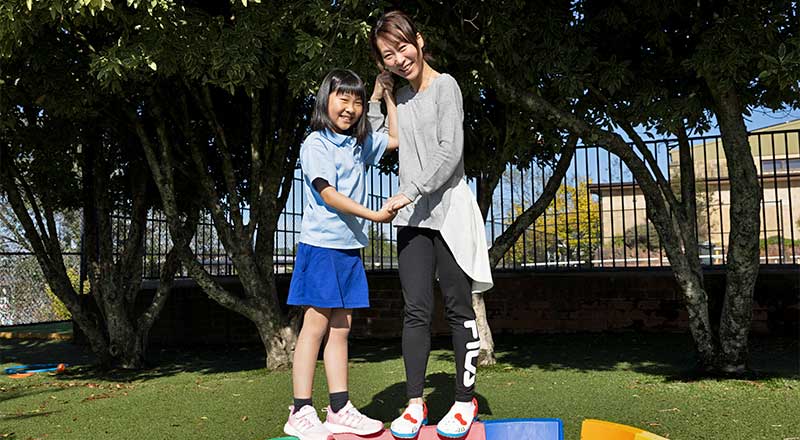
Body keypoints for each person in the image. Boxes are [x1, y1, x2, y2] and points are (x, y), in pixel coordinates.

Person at [368, 10, 493, 440]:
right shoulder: (400, 97)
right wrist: (378, 96)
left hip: (449, 214)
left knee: (459, 308)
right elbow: (379, 143)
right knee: (415, 311)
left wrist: (410, 191)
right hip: (413, 220)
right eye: (388, 55)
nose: (398, 59)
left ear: (418, 41)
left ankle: (464, 399)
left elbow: (449, 152)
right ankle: (415, 402)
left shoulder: (446, 87)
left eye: (402, 48)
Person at [284, 68, 399, 440]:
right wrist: (374, 215)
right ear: (326, 100)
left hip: (349, 248)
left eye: (357, 101)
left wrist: (385, 95)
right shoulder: (316, 143)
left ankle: (339, 408)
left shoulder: (357, 144)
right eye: (342, 98)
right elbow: (329, 194)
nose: (350, 108)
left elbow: (394, 138)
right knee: (314, 327)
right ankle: (300, 410)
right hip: (322, 246)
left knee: (341, 329)